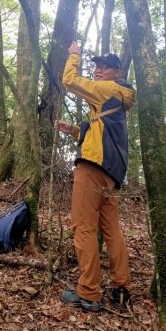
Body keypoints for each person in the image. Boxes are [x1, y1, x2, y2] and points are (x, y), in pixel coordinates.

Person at [56, 42, 136, 312]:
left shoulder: (107, 89)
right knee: (112, 231)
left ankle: (89, 292)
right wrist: (75, 131)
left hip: (92, 169)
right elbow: (102, 133)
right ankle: (121, 287)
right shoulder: (117, 98)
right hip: (112, 174)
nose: (98, 69)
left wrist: (74, 54)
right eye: (96, 65)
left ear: (117, 71)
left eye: (105, 66)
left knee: (83, 227)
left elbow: (69, 80)